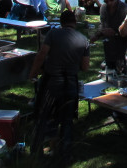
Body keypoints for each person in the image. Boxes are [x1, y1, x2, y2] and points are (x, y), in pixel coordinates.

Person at [28, 9, 90, 160]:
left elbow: (42, 54)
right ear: (74, 22)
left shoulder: (53, 34)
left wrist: (33, 72)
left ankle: (38, 150)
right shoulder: (84, 39)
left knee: (45, 115)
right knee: (67, 120)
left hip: (52, 81)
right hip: (70, 82)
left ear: (61, 22)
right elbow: (85, 67)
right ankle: (66, 154)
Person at [92, 0, 127, 70]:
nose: (109, 3)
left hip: (122, 48)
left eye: (111, 0)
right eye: (106, 1)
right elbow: (102, 24)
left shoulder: (125, 9)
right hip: (108, 48)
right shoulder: (103, 8)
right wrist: (97, 35)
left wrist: (115, 32)